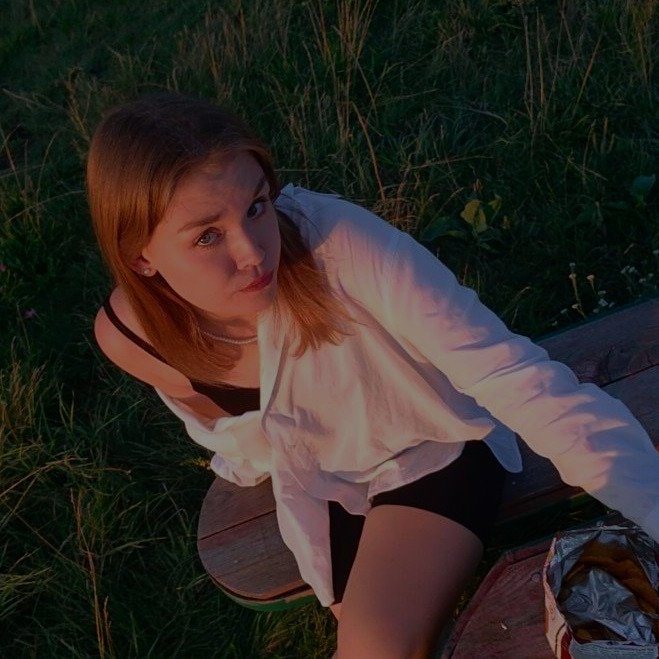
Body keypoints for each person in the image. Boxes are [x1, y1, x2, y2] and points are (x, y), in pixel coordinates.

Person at [88, 92, 659, 659]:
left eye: (257, 205)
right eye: (207, 236)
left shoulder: (341, 246)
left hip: (428, 447)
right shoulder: (133, 338)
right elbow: (226, 422)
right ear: (141, 257)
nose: (253, 253)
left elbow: (517, 380)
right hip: (316, 481)